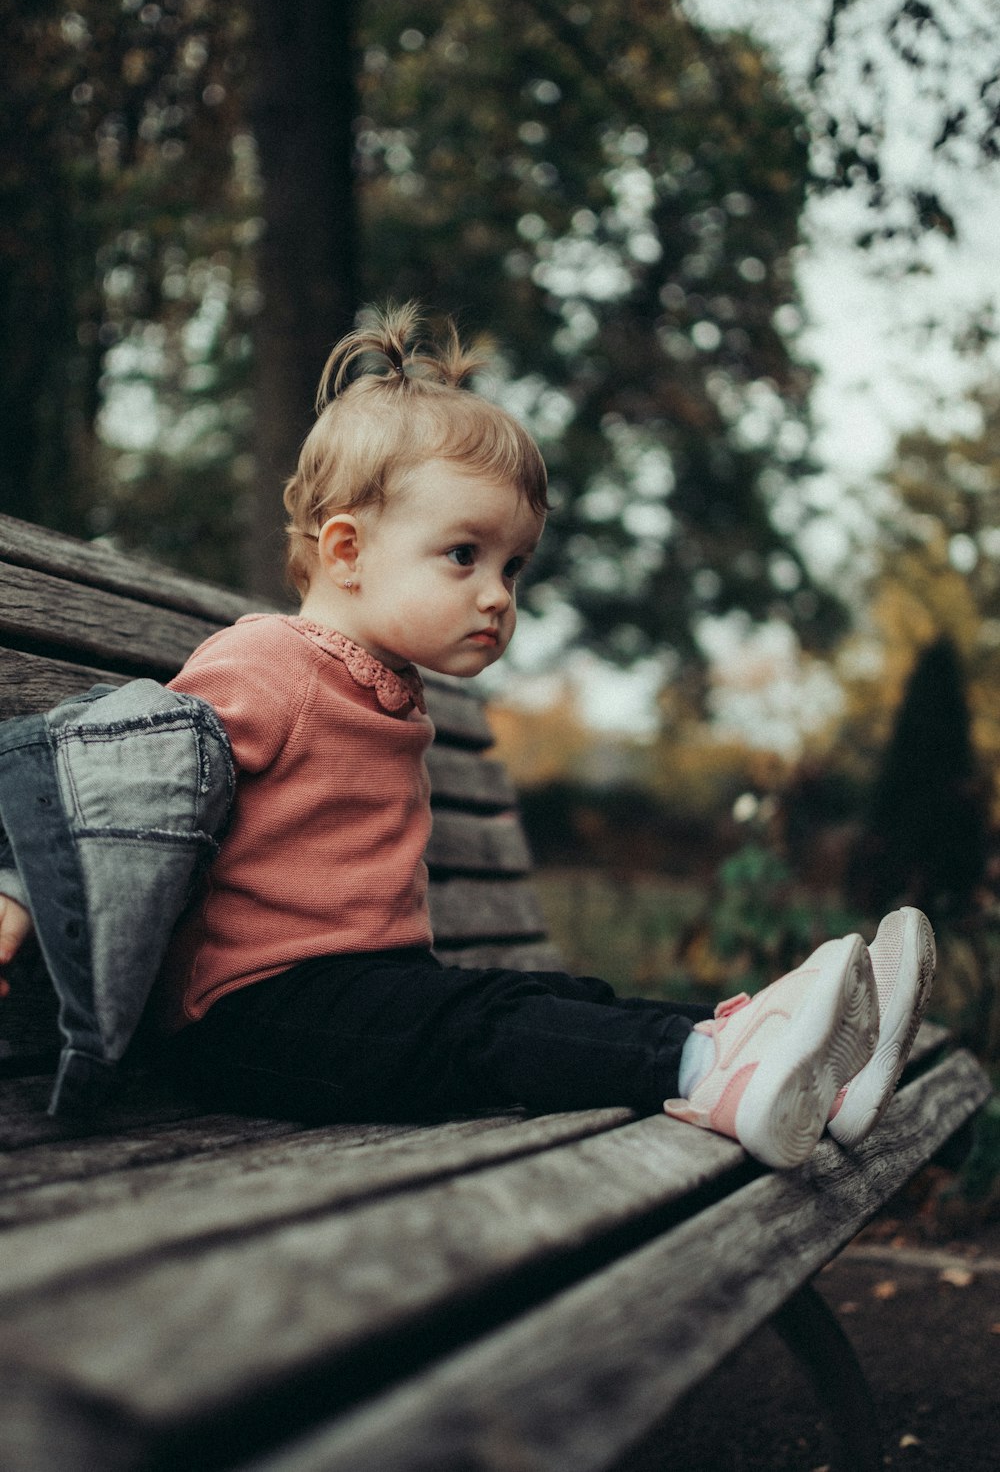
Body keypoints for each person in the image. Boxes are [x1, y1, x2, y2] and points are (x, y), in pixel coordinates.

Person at [0, 303, 935, 1169]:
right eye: (464, 555)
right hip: (252, 1021)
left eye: (514, 566)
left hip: (357, 1003)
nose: (498, 594)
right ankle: (715, 1068)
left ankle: (796, 1062)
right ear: (347, 551)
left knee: (562, 1003)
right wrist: (16, 892)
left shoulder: (392, 685)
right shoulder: (269, 662)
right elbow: (122, 776)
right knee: (492, 1021)